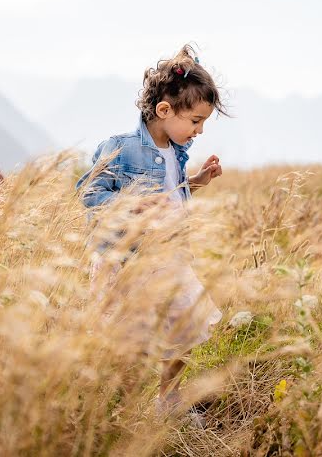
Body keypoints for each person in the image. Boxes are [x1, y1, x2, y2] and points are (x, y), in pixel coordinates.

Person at [76, 44, 227, 420]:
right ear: (164, 110)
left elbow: (170, 193)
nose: (198, 131)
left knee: (186, 324)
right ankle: (118, 408)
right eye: (194, 121)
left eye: (203, 123)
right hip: (129, 264)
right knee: (131, 343)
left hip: (170, 261)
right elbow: (89, 192)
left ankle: (168, 402)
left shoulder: (177, 152)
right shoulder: (120, 148)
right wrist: (128, 205)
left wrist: (197, 181)